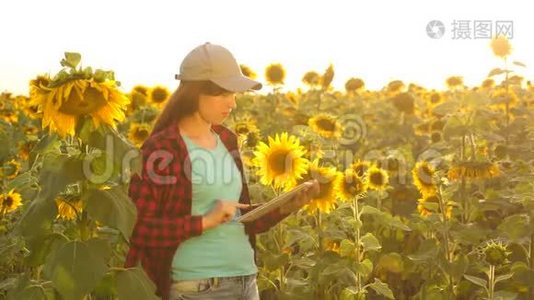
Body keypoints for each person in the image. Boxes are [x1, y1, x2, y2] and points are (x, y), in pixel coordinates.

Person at [124, 42, 320, 300]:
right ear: (195, 92)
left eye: (234, 94)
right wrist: (204, 222)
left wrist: (286, 206)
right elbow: (138, 229)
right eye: (223, 94)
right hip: (198, 287)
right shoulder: (163, 148)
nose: (232, 103)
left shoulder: (227, 140)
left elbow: (237, 218)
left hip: (246, 282)